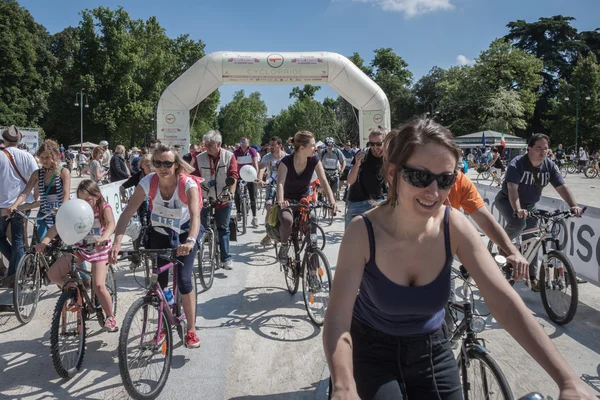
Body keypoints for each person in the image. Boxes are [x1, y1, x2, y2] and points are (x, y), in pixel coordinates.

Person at [323, 119, 595, 400]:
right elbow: (338, 316)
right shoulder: (362, 231)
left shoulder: (455, 226)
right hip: (372, 353)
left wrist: (568, 380)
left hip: (432, 350)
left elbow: (504, 301)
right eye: (419, 177)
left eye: (446, 180)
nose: (434, 193)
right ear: (392, 173)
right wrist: (343, 386)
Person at [110, 144, 202, 347]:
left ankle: (191, 330)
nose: (162, 167)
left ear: (176, 165)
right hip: (160, 232)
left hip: (186, 232)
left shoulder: (187, 185)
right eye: (157, 163)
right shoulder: (148, 182)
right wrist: (117, 242)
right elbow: (127, 212)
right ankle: (162, 326)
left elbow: (196, 216)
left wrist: (190, 241)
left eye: (167, 163)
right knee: (158, 284)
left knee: (185, 280)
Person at [494, 133, 583, 291]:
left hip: (530, 205)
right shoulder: (517, 163)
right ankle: (503, 244)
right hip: (508, 201)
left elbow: (561, 187)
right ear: (529, 148)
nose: (543, 151)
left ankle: (533, 278)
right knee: (518, 223)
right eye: (538, 148)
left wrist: (573, 205)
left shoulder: (549, 166)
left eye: (546, 149)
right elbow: (511, 189)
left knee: (533, 239)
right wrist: (518, 209)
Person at [36, 180, 118, 331]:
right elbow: (57, 226)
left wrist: (104, 237)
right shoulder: (75, 209)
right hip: (80, 249)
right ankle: (75, 291)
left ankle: (110, 317)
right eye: (81, 199)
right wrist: (44, 242)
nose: (85, 203)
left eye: (88, 199)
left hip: (99, 250)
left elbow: (111, 224)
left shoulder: (104, 208)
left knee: (99, 285)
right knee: (53, 274)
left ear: (97, 196)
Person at [276, 131, 337, 263]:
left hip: (304, 200)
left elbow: (324, 180)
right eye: (313, 145)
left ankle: (313, 273)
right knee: (287, 220)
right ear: (302, 148)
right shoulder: (285, 162)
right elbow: (280, 183)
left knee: (312, 226)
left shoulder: (314, 159)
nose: (316, 148)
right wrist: (281, 202)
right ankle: (284, 245)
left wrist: (332, 201)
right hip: (287, 200)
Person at [9, 140, 71, 240]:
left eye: (47, 157)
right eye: (41, 157)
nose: (44, 160)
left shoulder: (63, 172)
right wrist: (14, 205)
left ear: (55, 156)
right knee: (42, 240)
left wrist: (62, 208)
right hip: (44, 211)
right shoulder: (37, 174)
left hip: (61, 211)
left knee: (63, 242)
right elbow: (25, 192)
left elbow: (66, 193)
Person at [0, 126, 38, 287]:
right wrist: (34, 198)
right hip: (23, 203)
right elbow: (37, 177)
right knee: (17, 240)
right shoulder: (28, 156)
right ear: (19, 140)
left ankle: (15, 273)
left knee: (6, 238)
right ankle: (18, 270)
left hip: (2, 204)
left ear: (4, 139)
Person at [195, 130, 238, 270]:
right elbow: (194, 177)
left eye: (210, 144)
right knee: (200, 227)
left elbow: (233, 175)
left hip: (223, 196)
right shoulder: (199, 158)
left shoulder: (229, 156)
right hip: (205, 197)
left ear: (218, 144)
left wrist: (230, 193)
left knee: (223, 228)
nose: (207, 147)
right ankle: (200, 252)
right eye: (205, 144)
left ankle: (226, 258)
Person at [345, 127, 387, 228]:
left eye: (378, 144)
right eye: (371, 144)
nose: (375, 147)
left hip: (378, 203)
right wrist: (357, 163)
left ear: (385, 142)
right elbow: (350, 180)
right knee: (351, 241)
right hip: (357, 202)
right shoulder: (362, 154)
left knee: (380, 241)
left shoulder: (388, 158)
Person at [257, 136, 285, 246]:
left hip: (285, 186)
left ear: (280, 146)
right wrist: (260, 179)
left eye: (273, 145)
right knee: (269, 209)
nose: (271, 147)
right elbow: (262, 168)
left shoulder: (287, 157)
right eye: (270, 145)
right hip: (271, 185)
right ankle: (269, 234)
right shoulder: (267, 157)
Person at [233, 136, 259, 228]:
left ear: (248, 143)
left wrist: (256, 176)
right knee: (236, 194)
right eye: (241, 143)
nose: (243, 145)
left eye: (245, 143)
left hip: (250, 174)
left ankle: (254, 217)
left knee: (253, 196)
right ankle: (238, 212)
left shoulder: (252, 151)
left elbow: (255, 162)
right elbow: (233, 164)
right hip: (239, 175)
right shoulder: (236, 152)